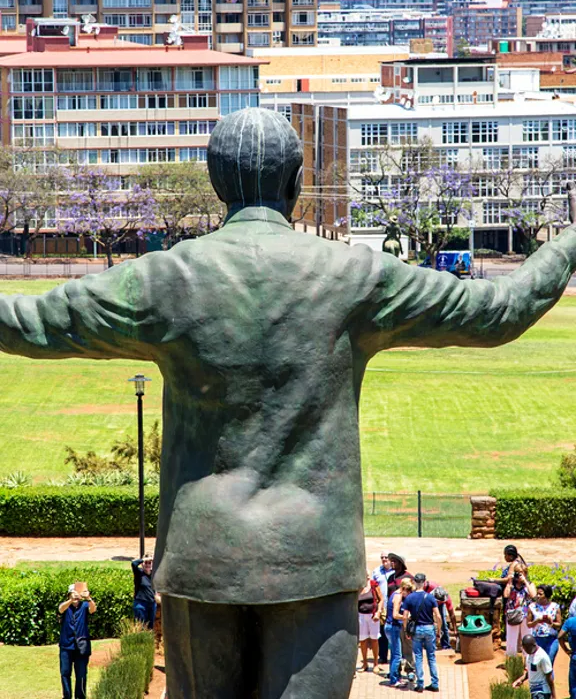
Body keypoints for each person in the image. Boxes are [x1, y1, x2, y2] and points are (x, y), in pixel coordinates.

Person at [0, 109, 575, 698]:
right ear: (297, 184)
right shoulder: (355, 274)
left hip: (204, 559)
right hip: (314, 556)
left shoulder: (165, 277)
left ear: (216, 184)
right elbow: (502, 310)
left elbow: (27, 323)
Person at [402, 572, 442, 693]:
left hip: (417, 629)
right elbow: (438, 616)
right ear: (424, 583)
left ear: (414, 582)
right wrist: (438, 631)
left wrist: (406, 630)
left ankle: (420, 684)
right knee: (432, 657)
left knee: (418, 657)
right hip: (429, 628)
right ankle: (435, 683)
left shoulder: (409, 598)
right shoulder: (430, 597)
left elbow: (404, 617)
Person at [58, 585, 97, 699]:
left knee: (81, 674)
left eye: (77, 593)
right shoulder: (66, 606)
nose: (76, 596)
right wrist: (71, 600)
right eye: (73, 593)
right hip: (66, 645)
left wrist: (88, 598)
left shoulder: (85, 605)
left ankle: (80, 696)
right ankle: (67, 696)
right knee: (65, 673)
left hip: (81, 646)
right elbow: (60, 609)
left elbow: (93, 609)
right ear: (69, 594)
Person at [385, 578, 414, 687]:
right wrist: (406, 618)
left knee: (394, 654)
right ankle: (393, 680)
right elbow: (395, 615)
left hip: (391, 627)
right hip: (393, 627)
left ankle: (395, 676)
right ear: (404, 588)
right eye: (409, 591)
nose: (409, 594)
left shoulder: (395, 594)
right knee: (397, 655)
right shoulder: (398, 596)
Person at [503, 569, 536, 656]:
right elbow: (506, 595)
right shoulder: (511, 585)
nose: (518, 575)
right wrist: (509, 582)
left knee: (527, 637)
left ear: (525, 573)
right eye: (517, 572)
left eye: (521, 573)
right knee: (511, 639)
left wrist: (525, 582)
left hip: (526, 615)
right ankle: (511, 661)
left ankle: (528, 660)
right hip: (513, 615)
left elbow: (533, 595)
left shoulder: (529, 584)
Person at [513, 634, 556, 698]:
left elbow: (549, 678)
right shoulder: (529, 654)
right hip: (533, 691)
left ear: (534, 645)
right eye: (525, 649)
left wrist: (554, 696)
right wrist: (521, 679)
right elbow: (530, 671)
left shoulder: (542, 657)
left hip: (542, 692)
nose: (527, 651)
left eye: (528, 649)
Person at [527, 584, 561, 665]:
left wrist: (551, 623)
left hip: (551, 639)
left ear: (547, 594)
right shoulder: (532, 607)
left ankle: (549, 678)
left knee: (549, 662)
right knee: (538, 664)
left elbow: (559, 624)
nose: (538, 596)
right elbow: (529, 624)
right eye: (537, 594)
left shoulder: (555, 606)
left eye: (540, 594)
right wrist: (537, 621)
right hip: (537, 639)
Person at [357, 571, 383, 673]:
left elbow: (381, 599)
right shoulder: (358, 586)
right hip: (361, 616)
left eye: (366, 575)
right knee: (362, 640)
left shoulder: (373, 584)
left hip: (373, 616)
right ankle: (365, 664)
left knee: (374, 639)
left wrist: (379, 612)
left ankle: (376, 663)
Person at [372, 553, 394, 664]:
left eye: (386, 557)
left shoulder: (396, 571)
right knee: (381, 632)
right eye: (382, 557)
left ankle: (396, 657)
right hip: (381, 606)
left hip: (393, 606)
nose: (384, 559)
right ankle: (383, 656)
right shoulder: (376, 571)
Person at [132, 555, 157, 630]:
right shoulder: (139, 573)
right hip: (140, 604)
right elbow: (134, 564)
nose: (148, 565)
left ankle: (149, 641)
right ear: (143, 564)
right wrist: (144, 559)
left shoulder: (154, 575)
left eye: (150, 563)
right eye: (146, 563)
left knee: (150, 627)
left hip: (152, 604)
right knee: (141, 627)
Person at [559, 612, 576, 699]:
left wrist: (566, 650)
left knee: (574, 686)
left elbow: (560, 636)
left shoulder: (570, 621)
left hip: (575, 656)